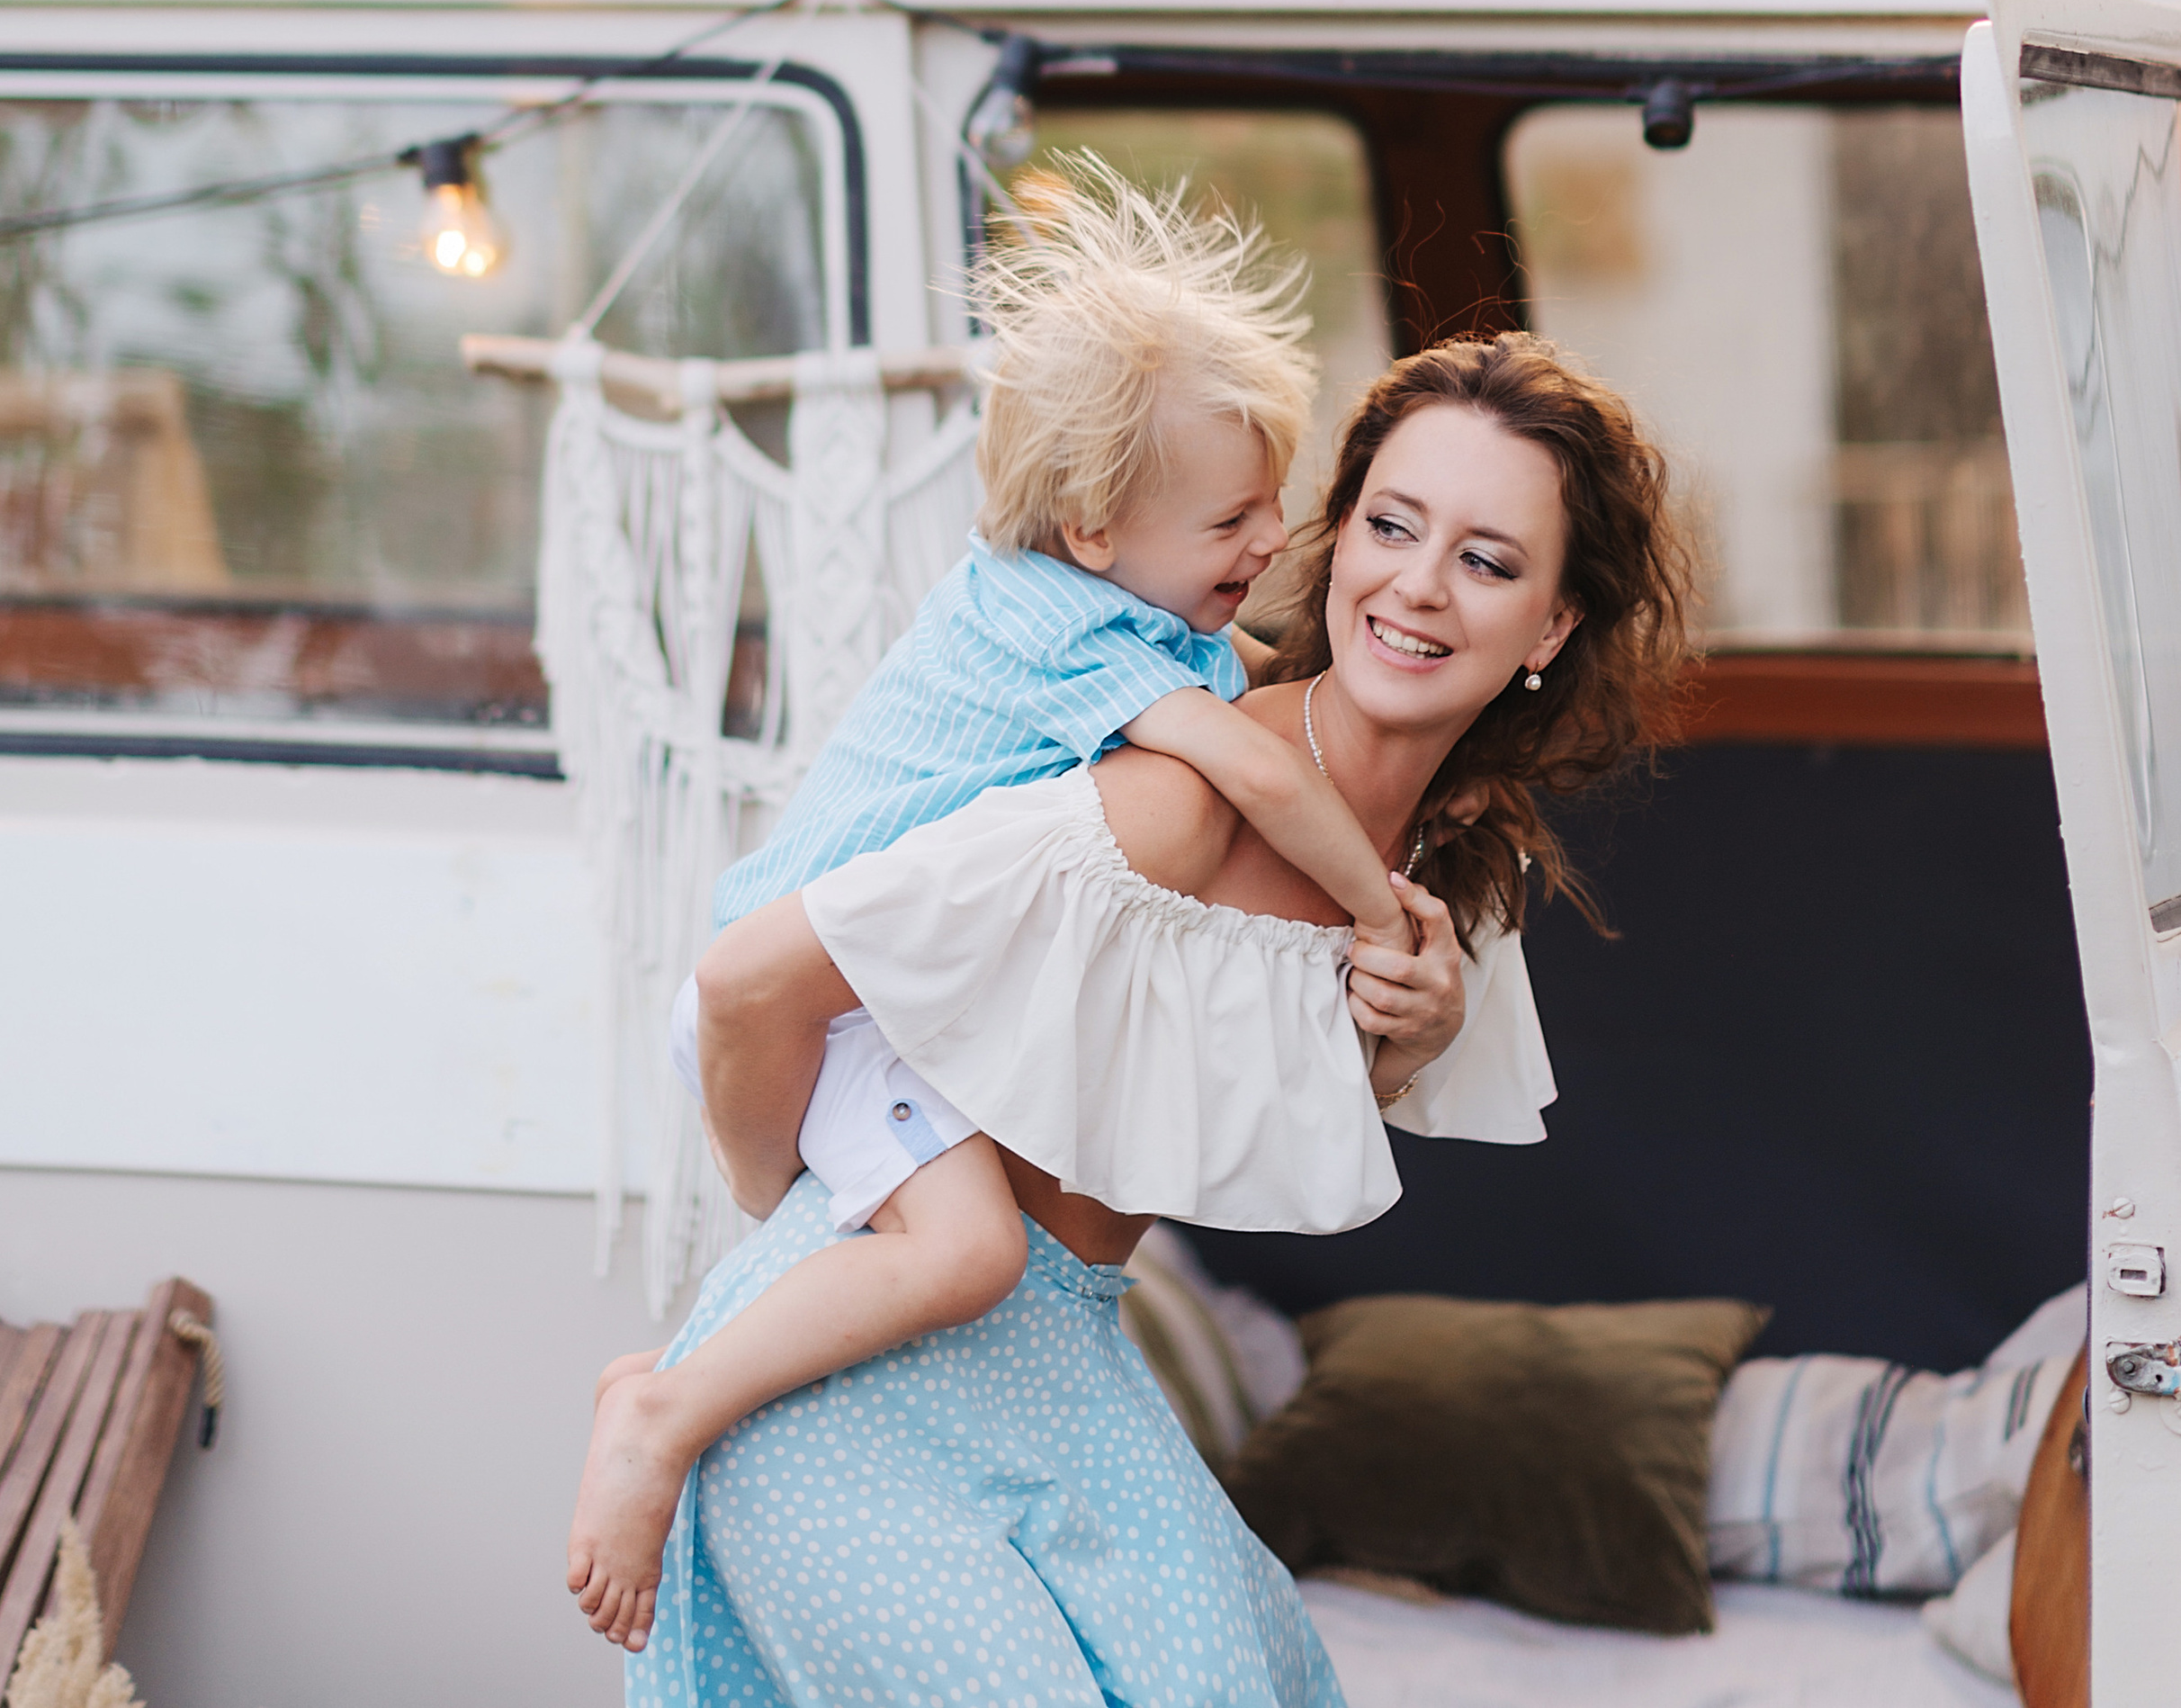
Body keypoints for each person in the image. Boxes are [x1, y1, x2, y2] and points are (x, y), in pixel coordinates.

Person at [623, 328, 1695, 1708]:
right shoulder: (1175, 793)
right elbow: (751, 981)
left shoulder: (1442, 861)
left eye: (1488, 561)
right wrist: (783, 1218)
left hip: (1064, 1347)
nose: (1419, 587)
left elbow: (1199, 1100)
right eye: (1392, 526)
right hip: (851, 1386)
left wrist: (1403, 1049)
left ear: (1551, 624)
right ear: (1341, 533)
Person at [570, 165, 1448, 1653]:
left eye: (1280, 501)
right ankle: (660, 1409)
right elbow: (1251, 771)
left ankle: (677, 1371)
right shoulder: (1074, 627)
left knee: (929, 1231)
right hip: (828, 992)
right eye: (1234, 515)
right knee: (965, 1252)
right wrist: (1381, 911)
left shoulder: (1134, 615)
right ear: (1098, 527)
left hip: (875, 997)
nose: (1272, 541)